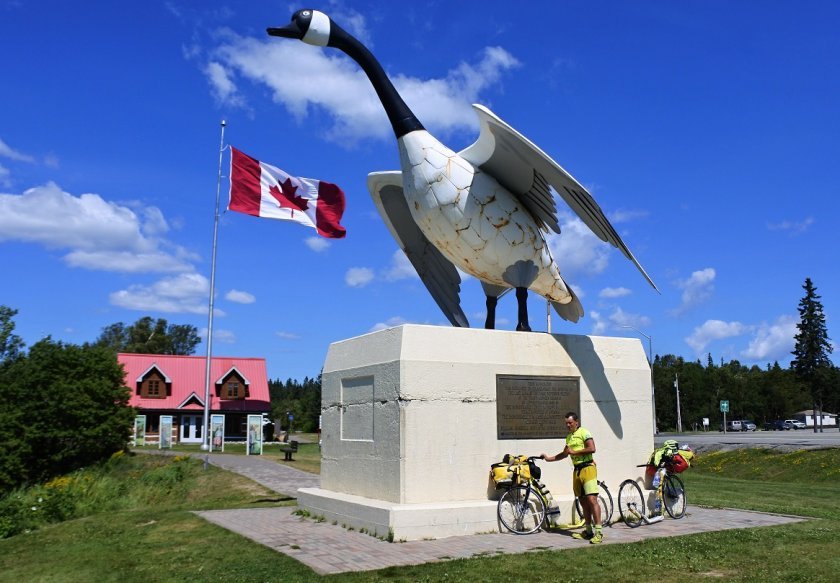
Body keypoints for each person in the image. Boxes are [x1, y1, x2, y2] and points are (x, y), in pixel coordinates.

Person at [541, 411, 603, 544]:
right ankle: (588, 531)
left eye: (570, 423)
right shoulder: (569, 437)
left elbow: (592, 448)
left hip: (588, 469)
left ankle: (599, 532)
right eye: (566, 423)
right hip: (577, 471)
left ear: (576, 422)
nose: (568, 425)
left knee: (592, 500)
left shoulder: (584, 432)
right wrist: (548, 459)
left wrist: (575, 452)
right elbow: (564, 454)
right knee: (583, 502)